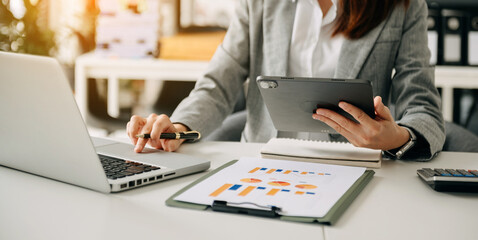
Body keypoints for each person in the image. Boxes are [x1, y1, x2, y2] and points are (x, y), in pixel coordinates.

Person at [127, 0, 446, 160]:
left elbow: (423, 105)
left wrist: (398, 138)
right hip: (262, 165)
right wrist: (180, 127)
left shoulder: (403, 6)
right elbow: (218, 83)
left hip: (357, 167)